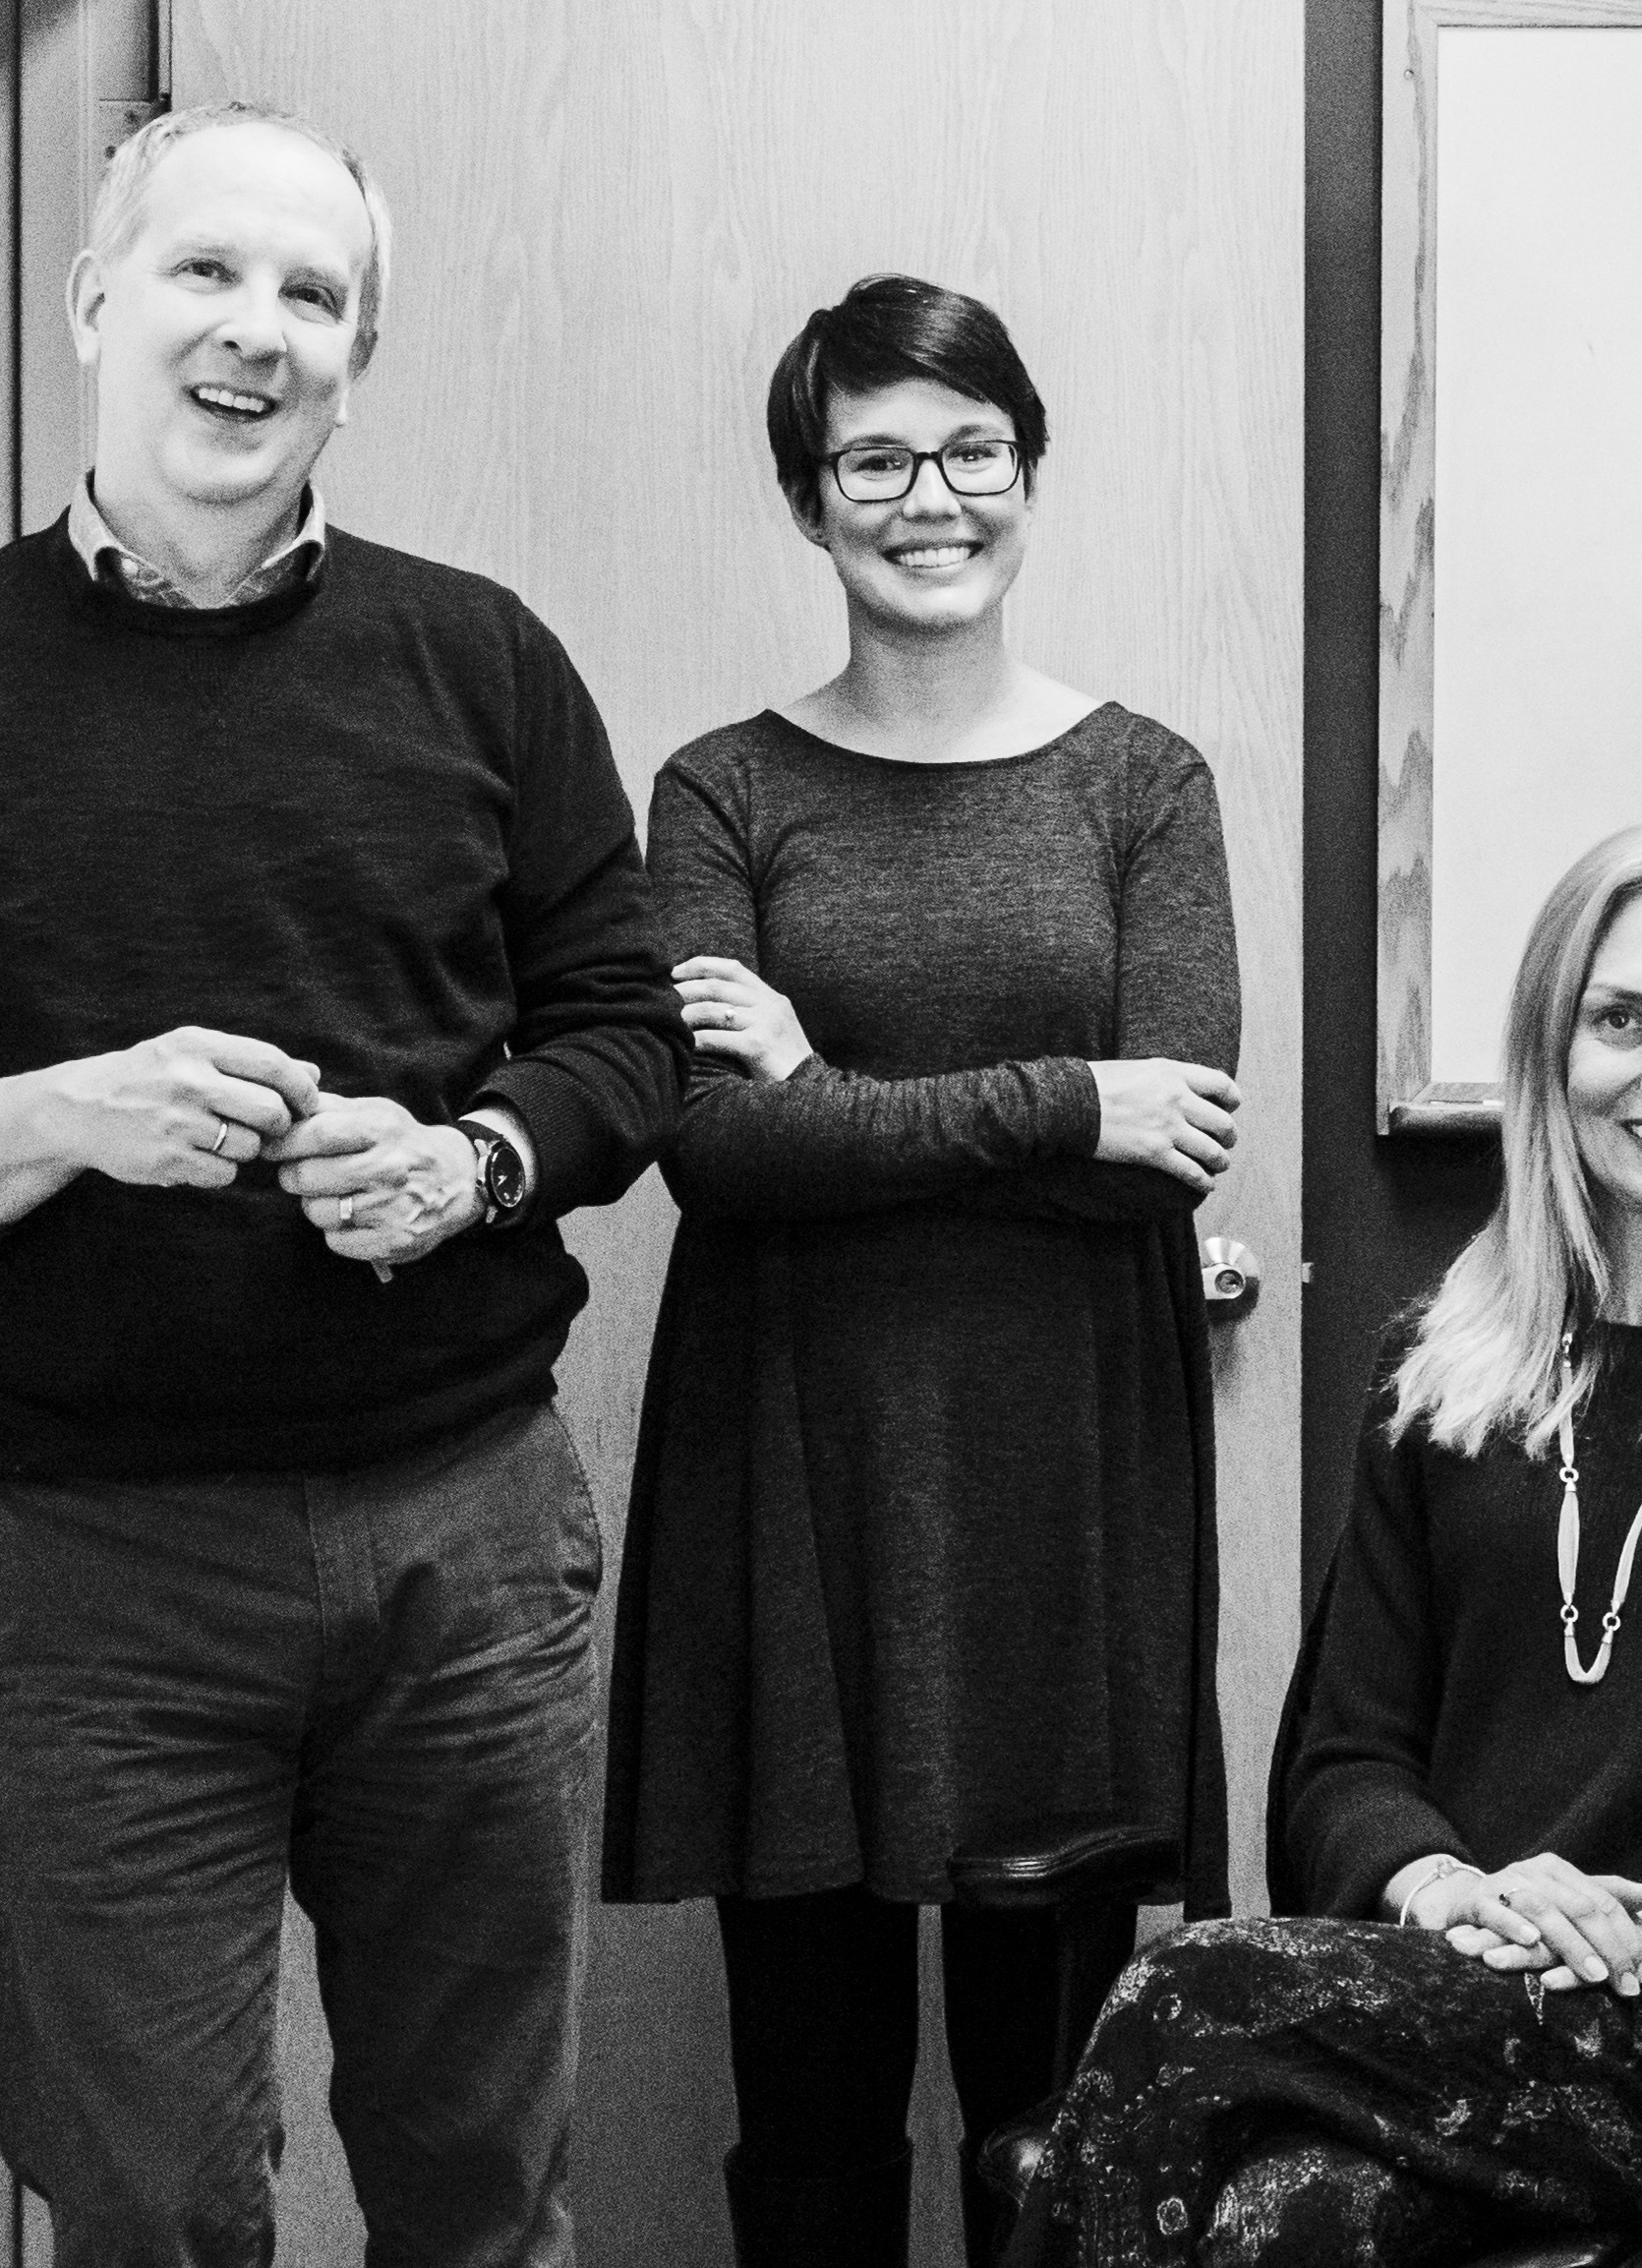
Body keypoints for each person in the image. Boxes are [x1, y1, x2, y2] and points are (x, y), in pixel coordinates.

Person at [0, 101, 682, 2264]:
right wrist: (55, 1116)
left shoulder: (480, 658)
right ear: (97, 300)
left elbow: (627, 1040)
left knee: (479, 2186)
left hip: (465, 1533)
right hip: (105, 1566)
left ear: (353, 361)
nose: (254, 332)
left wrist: (474, 1161)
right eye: (206, 271)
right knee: (152, 2200)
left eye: (312, 296)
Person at [1004, 822, 1642, 2267]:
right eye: (1618, 1020)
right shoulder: (1436, 1370)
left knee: (1184, 1992)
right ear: (1551, 1059)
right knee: (1283, 2221)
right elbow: (1339, 1762)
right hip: (1459, 1989)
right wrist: (1458, 1894)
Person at [599, 273, 1244, 2266]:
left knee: (1057, 2130)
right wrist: (1062, 1104)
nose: (928, 494)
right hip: (794, 1497)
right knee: (809, 2118)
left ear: (1029, 478)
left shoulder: (1144, 784)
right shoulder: (723, 790)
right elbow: (711, 1148)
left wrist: (836, 1091)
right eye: (873, 457)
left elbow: (1177, 1149)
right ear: (808, 501)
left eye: (972, 450)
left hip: (1066, 1488)